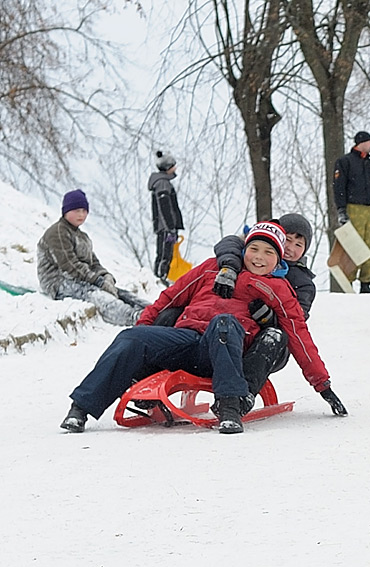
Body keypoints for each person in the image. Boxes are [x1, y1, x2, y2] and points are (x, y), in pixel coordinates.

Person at [59, 221, 347, 435]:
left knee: (224, 324)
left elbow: (298, 334)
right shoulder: (213, 269)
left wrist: (322, 385)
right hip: (186, 341)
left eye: (268, 252)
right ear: (244, 249)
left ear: (278, 259)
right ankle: (81, 408)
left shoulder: (279, 288)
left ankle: (230, 406)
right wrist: (144, 330)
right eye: (254, 249)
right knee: (131, 336)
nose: (259, 257)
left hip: (228, 350)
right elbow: (167, 299)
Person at [207, 213, 318, 397]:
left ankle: (242, 396)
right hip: (228, 331)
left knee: (274, 335)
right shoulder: (253, 256)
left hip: (268, 346)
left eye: (298, 245)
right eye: (287, 240)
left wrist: (269, 319)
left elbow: (296, 321)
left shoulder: (302, 283)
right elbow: (229, 243)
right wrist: (230, 266)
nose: (290, 248)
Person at [37, 189, 148, 327]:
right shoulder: (58, 232)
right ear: (66, 211)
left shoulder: (83, 237)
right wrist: (98, 281)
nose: (81, 214)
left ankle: (152, 311)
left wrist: (106, 277)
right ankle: (134, 318)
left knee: (120, 293)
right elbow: (69, 265)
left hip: (82, 279)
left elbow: (93, 262)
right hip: (58, 281)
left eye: (84, 210)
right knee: (97, 296)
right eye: (77, 210)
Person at [333, 130, 370, 294]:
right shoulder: (344, 162)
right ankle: (347, 283)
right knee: (353, 246)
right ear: (361, 143)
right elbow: (339, 187)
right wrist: (341, 210)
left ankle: (366, 283)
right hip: (353, 208)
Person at [148, 150, 184, 282]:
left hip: (166, 227)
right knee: (164, 254)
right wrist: (170, 228)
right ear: (168, 167)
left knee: (166, 254)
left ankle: (161, 277)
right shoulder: (163, 183)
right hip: (165, 227)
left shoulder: (163, 182)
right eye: (173, 165)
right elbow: (165, 208)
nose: (175, 167)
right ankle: (160, 278)